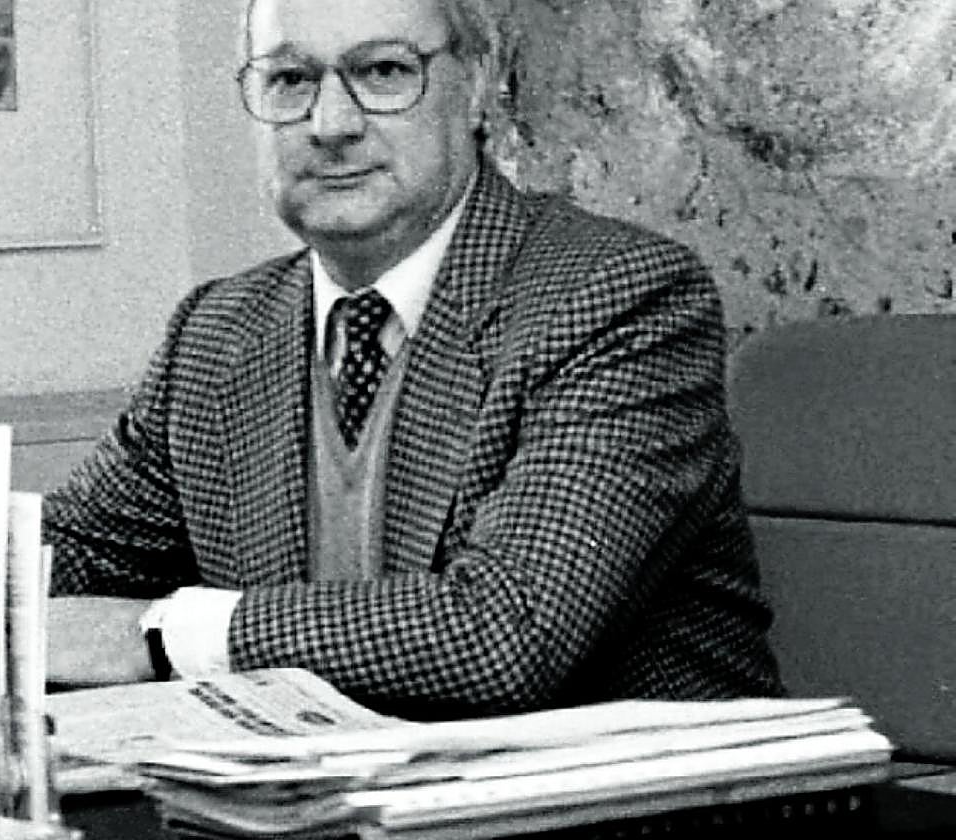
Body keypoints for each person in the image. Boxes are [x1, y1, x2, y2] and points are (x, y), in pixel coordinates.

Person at [43, 0, 783, 718]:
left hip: (625, 789)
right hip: (320, 787)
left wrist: (163, 634)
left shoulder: (619, 298)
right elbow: (60, 559)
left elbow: (507, 631)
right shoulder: (217, 333)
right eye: (290, 80)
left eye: (384, 72)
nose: (331, 124)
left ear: (478, 87)